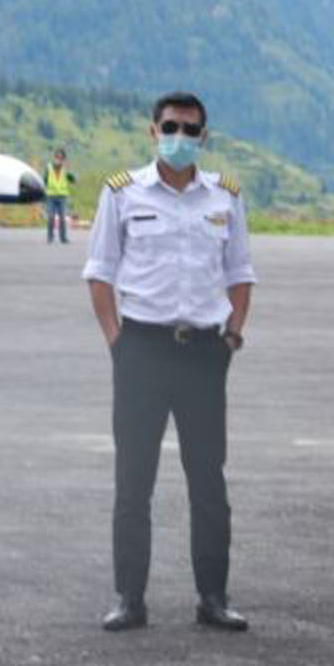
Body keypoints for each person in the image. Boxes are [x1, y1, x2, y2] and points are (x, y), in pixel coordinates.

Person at [83, 92, 253, 632]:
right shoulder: (122, 194)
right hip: (142, 350)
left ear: (204, 136)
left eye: (191, 128)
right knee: (134, 482)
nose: (181, 136)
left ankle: (213, 596)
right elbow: (99, 272)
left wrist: (231, 337)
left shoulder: (224, 198)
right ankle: (129, 598)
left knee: (209, 483)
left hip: (204, 353)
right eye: (172, 126)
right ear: (153, 131)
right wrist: (117, 341)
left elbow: (240, 274)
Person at [43, 146, 72, 244]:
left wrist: (68, 171)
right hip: (50, 196)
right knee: (51, 217)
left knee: (62, 218)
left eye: (61, 158)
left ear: (63, 159)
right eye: (57, 157)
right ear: (54, 157)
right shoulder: (49, 168)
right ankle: (50, 237)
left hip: (62, 196)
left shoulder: (65, 169)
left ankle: (63, 238)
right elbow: (45, 180)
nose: (58, 160)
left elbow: (72, 179)